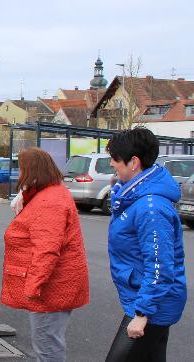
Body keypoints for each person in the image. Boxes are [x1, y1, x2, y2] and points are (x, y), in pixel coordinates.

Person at [104, 128, 187, 361]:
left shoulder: (151, 208)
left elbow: (160, 265)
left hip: (152, 308)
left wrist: (142, 313)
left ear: (134, 162)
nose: (111, 164)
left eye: (115, 159)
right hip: (148, 302)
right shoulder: (134, 196)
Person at [0, 148, 89, 362]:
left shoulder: (49, 201)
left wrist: (33, 287)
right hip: (52, 286)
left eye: (21, 168)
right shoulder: (50, 194)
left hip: (51, 289)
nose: (19, 174)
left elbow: (47, 250)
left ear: (32, 170)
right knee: (47, 343)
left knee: (47, 347)